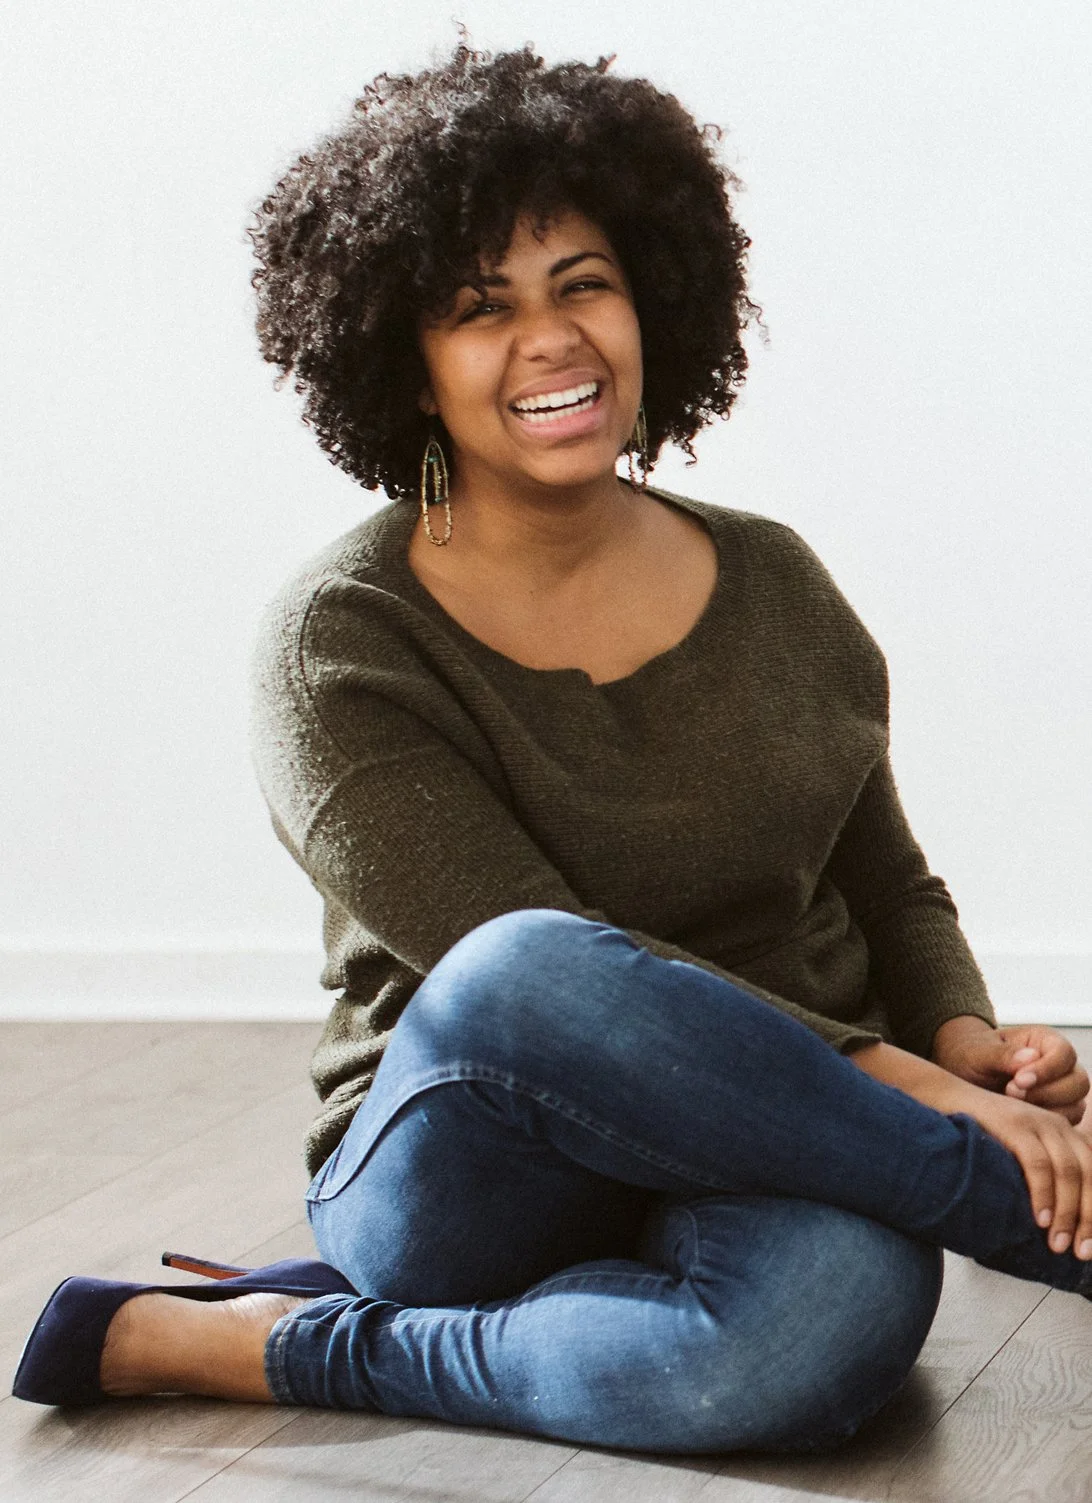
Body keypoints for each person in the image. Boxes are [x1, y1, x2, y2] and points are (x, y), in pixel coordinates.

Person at [13, 40, 1092, 1455]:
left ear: (655, 301)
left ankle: (285, 1340)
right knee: (530, 962)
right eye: (481, 309)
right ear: (401, 359)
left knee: (825, 1324)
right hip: (471, 1171)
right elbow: (529, 980)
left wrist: (970, 1038)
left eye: (584, 283)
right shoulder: (340, 640)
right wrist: (940, 1109)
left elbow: (885, 881)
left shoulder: (774, 580)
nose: (551, 339)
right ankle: (1019, 1210)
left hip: (763, 1131)